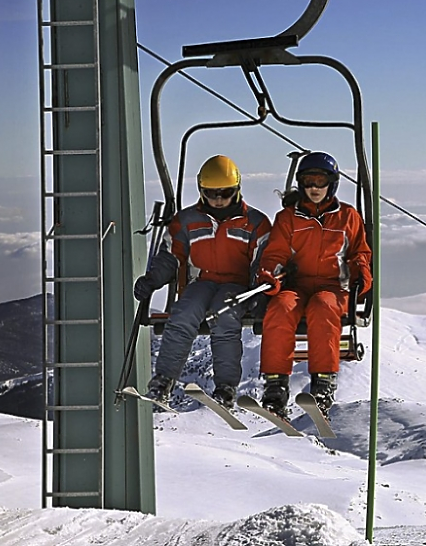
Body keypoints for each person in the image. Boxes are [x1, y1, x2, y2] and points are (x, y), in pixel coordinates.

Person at [133, 155, 271, 409]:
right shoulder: (187, 221)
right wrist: (153, 279)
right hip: (202, 280)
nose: (218, 200)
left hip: (237, 286)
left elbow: (264, 261)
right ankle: (164, 380)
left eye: (225, 193)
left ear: (237, 189)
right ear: (201, 190)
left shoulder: (255, 223)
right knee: (183, 313)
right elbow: (171, 256)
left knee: (224, 314)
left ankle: (226, 387)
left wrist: (260, 293)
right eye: (211, 193)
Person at [255, 151, 372, 419]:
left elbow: (359, 252)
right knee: (281, 308)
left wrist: (361, 274)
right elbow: (276, 253)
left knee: (323, 308)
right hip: (297, 285)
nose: (314, 188)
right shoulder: (289, 218)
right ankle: (275, 386)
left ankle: (323, 384)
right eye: (308, 182)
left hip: (333, 287)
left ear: (332, 183)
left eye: (320, 182)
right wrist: (270, 275)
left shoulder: (347, 217)